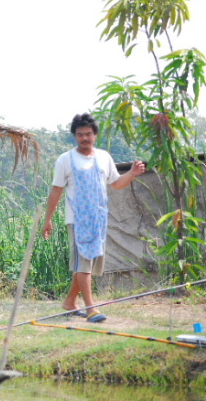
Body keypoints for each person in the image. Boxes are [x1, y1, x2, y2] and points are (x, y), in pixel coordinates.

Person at [42, 113, 146, 323]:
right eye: (80, 135)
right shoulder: (66, 160)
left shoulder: (104, 157)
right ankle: (91, 308)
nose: (84, 138)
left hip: (99, 219)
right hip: (78, 220)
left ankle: (70, 302)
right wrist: (48, 219)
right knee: (83, 264)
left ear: (95, 135)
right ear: (75, 136)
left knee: (88, 263)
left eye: (88, 134)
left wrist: (133, 174)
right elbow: (56, 191)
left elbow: (116, 183)